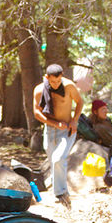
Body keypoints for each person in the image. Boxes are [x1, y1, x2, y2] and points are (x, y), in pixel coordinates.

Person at [33, 64, 83, 209]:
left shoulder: (69, 86)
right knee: (53, 160)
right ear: (47, 78)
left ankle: (61, 194)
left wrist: (74, 120)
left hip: (67, 129)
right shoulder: (39, 89)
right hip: (50, 129)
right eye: (53, 82)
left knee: (58, 158)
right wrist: (54, 124)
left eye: (58, 81)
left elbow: (80, 102)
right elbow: (37, 113)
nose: (56, 85)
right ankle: (58, 190)